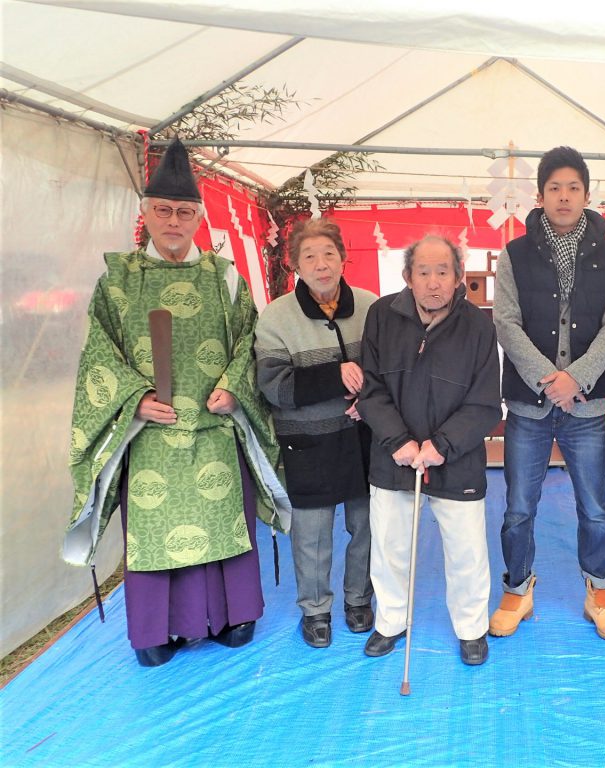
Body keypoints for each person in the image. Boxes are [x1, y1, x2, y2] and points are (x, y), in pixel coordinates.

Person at [64, 138, 291, 667]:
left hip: (215, 427)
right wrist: (136, 399)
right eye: (163, 210)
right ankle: (156, 630)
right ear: (144, 212)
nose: (173, 221)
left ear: (198, 217)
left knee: (224, 526)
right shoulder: (116, 281)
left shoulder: (225, 277)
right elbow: (99, 356)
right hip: (150, 437)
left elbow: (248, 342)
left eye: (184, 212)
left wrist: (234, 387)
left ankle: (233, 617)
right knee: (152, 532)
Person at [488, 146, 605, 642]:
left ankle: (600, 591)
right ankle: (518, 589)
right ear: (540, 194)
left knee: (595, 507)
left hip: (587, 405)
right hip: (529, 403)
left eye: (573, 188)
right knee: (518, 507)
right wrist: (550, 378)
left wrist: (578, 378)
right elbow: (505, 321)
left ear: (587, 194)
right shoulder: (515, 253)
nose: (564, 197)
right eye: (554, 188)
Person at [357, 236, 500, 666]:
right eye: (424, 272)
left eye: (443, 272)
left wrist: (443, 445)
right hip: (393, 456)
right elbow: (370, 387)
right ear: (408, 277)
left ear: (459, 278)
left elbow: (485, 402)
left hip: (455, 460)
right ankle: (391, 622)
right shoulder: (382, 316)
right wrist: (397, 440)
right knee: (389, 548)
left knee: (467, 551)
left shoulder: (479, 325)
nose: (434, 282)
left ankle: (472, 629)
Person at [255, 218, 377, 648]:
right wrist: (334, 376)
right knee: (312, 533)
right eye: (310, 256)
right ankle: (316, 610)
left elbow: (390, 370)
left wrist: (372, 400)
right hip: (306, 443)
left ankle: (359, 599)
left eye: (329, 254)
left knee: (367, 525)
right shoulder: (275, 316)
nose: (321, 264)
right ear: (296, 266)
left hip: (364, 439)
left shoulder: (371, 306)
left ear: (344, 259)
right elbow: (273, 386)